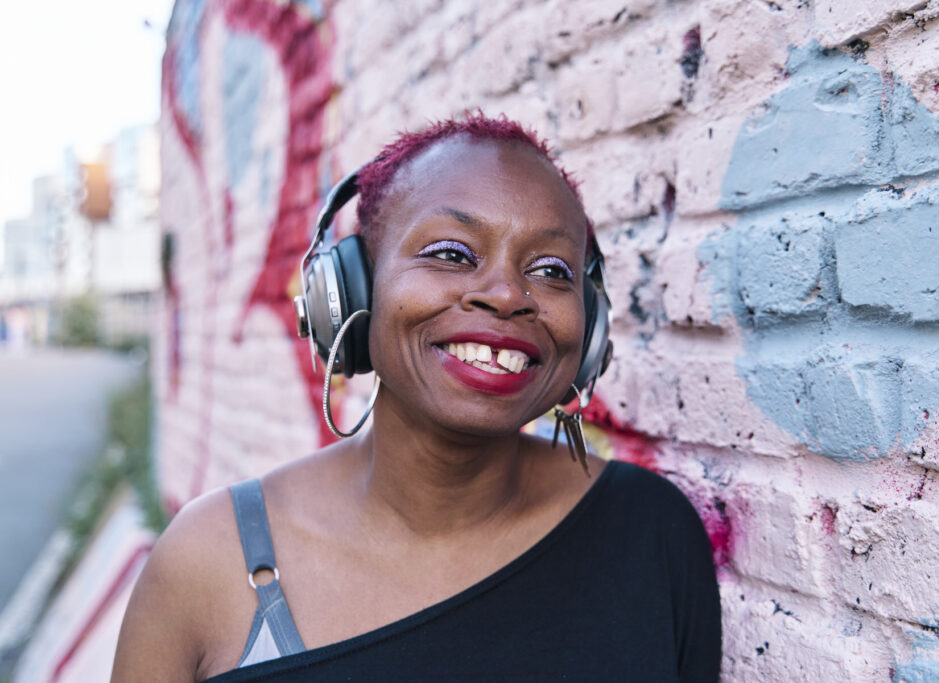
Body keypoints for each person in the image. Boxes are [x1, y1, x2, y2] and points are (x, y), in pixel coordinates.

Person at [112, 113, 721, 682]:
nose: (507, 294)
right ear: (352, 294)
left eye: (551, 270)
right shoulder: (207, 562)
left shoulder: (653, 535)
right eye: (451, 254)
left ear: (590, 332)